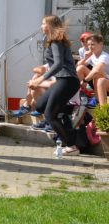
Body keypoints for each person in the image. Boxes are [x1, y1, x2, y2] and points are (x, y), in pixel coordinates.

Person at [31, 15, 81, 156]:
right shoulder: (54, 41)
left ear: (50, 26)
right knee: (40, 106)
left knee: (50, 115)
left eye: (43, 23)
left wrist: (40, 80)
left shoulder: (56, 41)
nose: (41, 26)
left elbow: (58, 64)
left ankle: (71, 146)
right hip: (62, 80)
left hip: (68, 80)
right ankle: (67, 112)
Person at [77, 34, 109, 105]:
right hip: (101, 80)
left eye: (92, 44)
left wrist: (85, 80)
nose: (90, 47)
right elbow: (78, 66)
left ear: (101, 44)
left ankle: (102, 108)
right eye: (88, 44)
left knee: (98, 76)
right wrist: (85, 58)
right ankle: (84, 94)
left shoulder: (104, 56)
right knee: (80, 68)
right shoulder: (93, 55)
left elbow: (97, 70)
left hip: (106, 83)